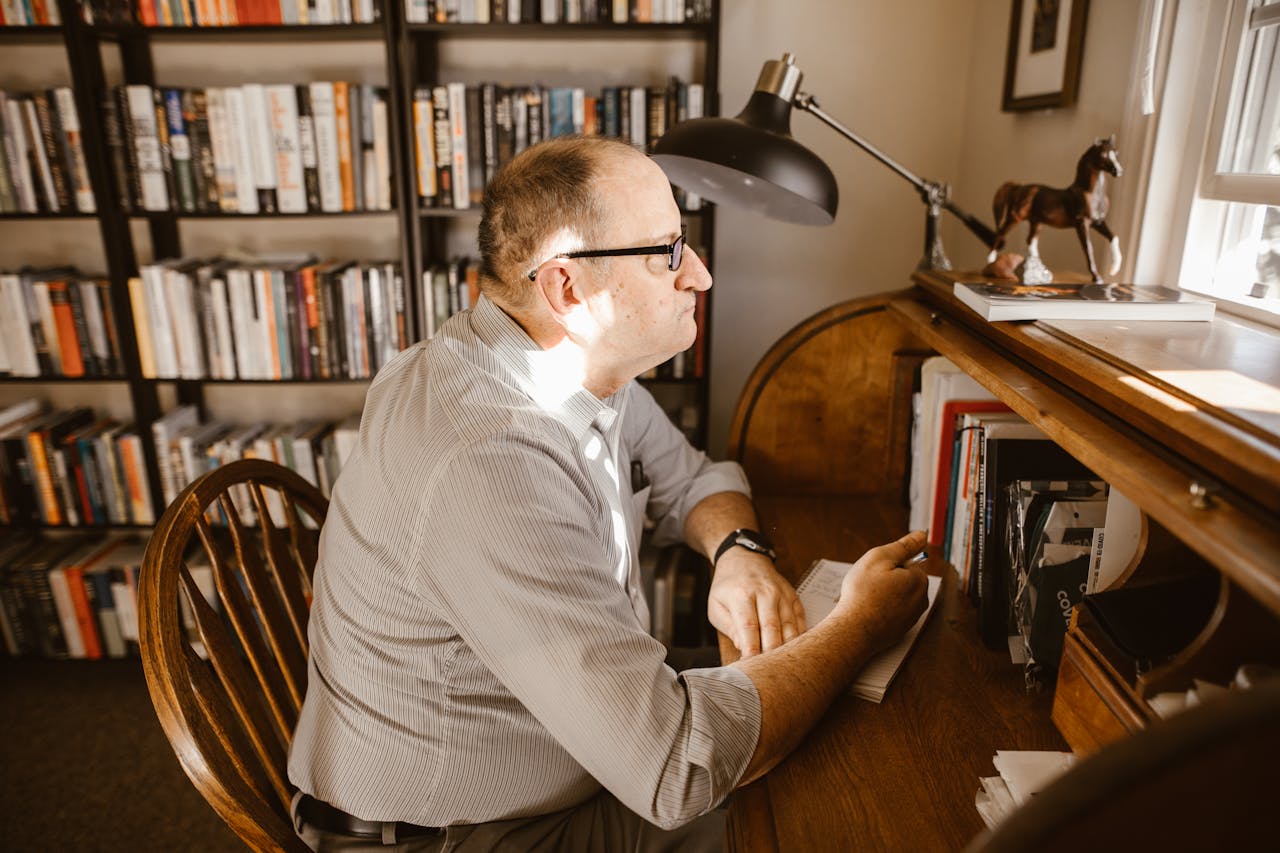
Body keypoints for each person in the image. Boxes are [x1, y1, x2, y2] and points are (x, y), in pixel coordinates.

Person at [287, 135, 928, 851]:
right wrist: (858, 626)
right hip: (450, 836)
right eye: (668, 251)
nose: (702, 276)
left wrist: (738, 551)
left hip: (567, 761)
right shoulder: (489, 454)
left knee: (808, 761)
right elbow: (675, 769)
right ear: (568, 288)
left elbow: (694, 477)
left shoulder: (562, 364)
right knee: (828, 824)